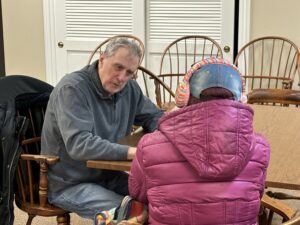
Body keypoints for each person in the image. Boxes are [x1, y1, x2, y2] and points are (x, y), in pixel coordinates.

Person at [128, 57, 270, 224]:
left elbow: (137, 194)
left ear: (184, 96)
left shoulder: (149, 147)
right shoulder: (260, 147)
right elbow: (257, 194)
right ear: (241, 99)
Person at [41, 37, 163, 219]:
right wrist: (135, 152)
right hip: (71, 184)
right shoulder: (72, 89)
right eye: (118, 67)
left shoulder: (129, 88)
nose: (122, 78)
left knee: (163, 196)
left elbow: (154, 116)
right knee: (133, 214)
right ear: (102, 58)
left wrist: (167, 136)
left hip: (108, 175)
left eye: (130, 72)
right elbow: (80, 144)